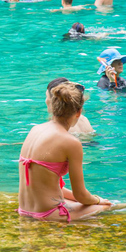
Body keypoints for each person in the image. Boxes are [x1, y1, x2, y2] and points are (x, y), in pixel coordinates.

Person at [18, 82, 112, 222]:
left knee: (84, 203)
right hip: (49, 213)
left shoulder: (35, 129)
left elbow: (46, 186)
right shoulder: (71, 142)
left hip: (24, 209)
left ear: (52, 106)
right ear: (78, 112)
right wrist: (99, 200)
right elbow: (81, 195)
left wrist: (91, 200)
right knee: (109, 207)